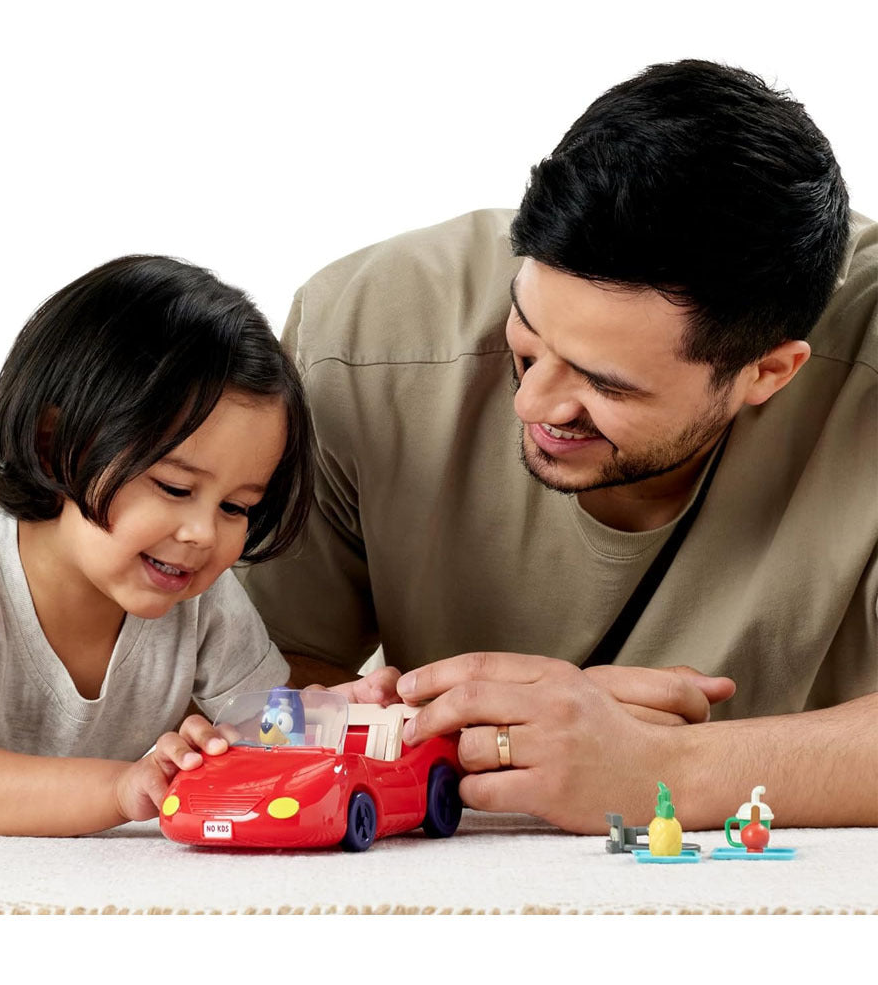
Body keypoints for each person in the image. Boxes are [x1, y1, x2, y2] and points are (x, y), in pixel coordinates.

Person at [240, 60, 877, 833]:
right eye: (528, 335)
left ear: (768, 372)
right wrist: (472, 732)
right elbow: (249, 685)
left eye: (607, 384)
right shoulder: (365, 332)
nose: (532, 403)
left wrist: (668, 768)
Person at [0, 256, 397, 835]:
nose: (203, 533)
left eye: (235, 507)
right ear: (56, 447)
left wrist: (335, 714)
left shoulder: (196, 595)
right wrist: (122, 788)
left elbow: (263, 727)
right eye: (175, 487)